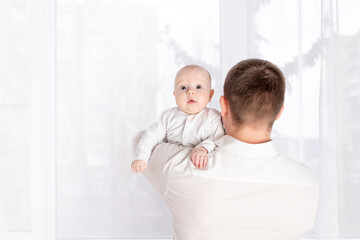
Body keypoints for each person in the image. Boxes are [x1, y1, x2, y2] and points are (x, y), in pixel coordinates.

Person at [132, 59, 319, 240]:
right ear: (279, 112)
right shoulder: (308, 183)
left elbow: (139, 141)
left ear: (223, 106)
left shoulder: (179, 167)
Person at [131, 65, 224, 173]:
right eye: (183, 87)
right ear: (175, 95)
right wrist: (141, 157)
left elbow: (218, 140)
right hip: (171, 168)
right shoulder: (168, 116)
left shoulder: (213, 117)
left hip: (198, 170)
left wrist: (203, 148)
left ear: (210, 95)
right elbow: (151, 136)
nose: (190, 92)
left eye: (198, 87)